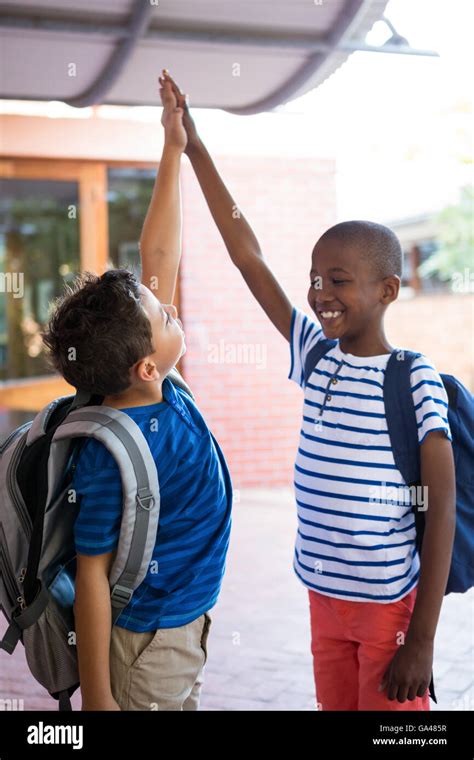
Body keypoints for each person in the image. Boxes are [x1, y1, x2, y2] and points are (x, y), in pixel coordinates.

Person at [160, 70, 456, 711]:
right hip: (323, 598)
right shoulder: (315, 353)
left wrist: (423, 642)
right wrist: (194, 147)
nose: (320, 292)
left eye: (339, 280)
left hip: (388, 609)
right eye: (316, 277)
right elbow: (247, 254)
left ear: (386, 291)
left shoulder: (413, 380)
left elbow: (439, 518)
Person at [42, 74, 233, 711]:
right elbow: (91, 575)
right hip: (145, 647)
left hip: (183, 626)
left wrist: (171, 147)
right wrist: (98, 698)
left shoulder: (156, 386)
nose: (171, 304)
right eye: (164, 314)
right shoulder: (112, 454)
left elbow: (159, 250)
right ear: (146, 366)